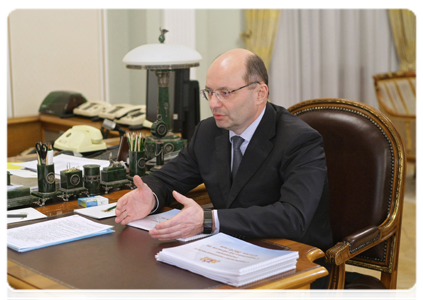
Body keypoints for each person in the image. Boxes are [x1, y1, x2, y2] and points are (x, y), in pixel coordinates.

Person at [115, 48, 332, 299]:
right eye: (209, 92)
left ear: (260, 93)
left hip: (292, 264)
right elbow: (170, 177)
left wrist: (209, 220)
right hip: (225, 255)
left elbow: (293, 217)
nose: (213, 103)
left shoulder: (299, 140)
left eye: (225, 93)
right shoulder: (209, 131)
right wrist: (149, 195)